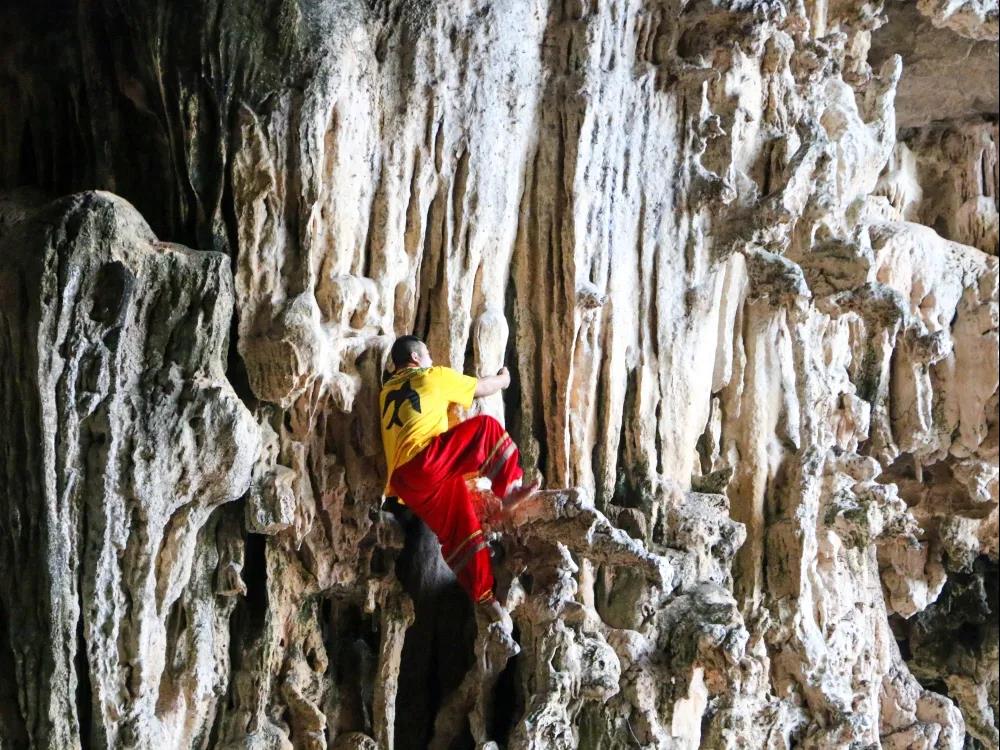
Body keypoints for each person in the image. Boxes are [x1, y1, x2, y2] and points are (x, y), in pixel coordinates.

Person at [379, 335, 537, 625]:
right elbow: (480, 388)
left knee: (461, 530)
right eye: (427, 354)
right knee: (485, 430)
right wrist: (503, 379)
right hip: (425, 462)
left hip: (404, 483)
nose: (431, 359)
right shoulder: (430, 376)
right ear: (415, 359)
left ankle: (486, 598)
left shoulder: (387, 389)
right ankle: (510, 487)